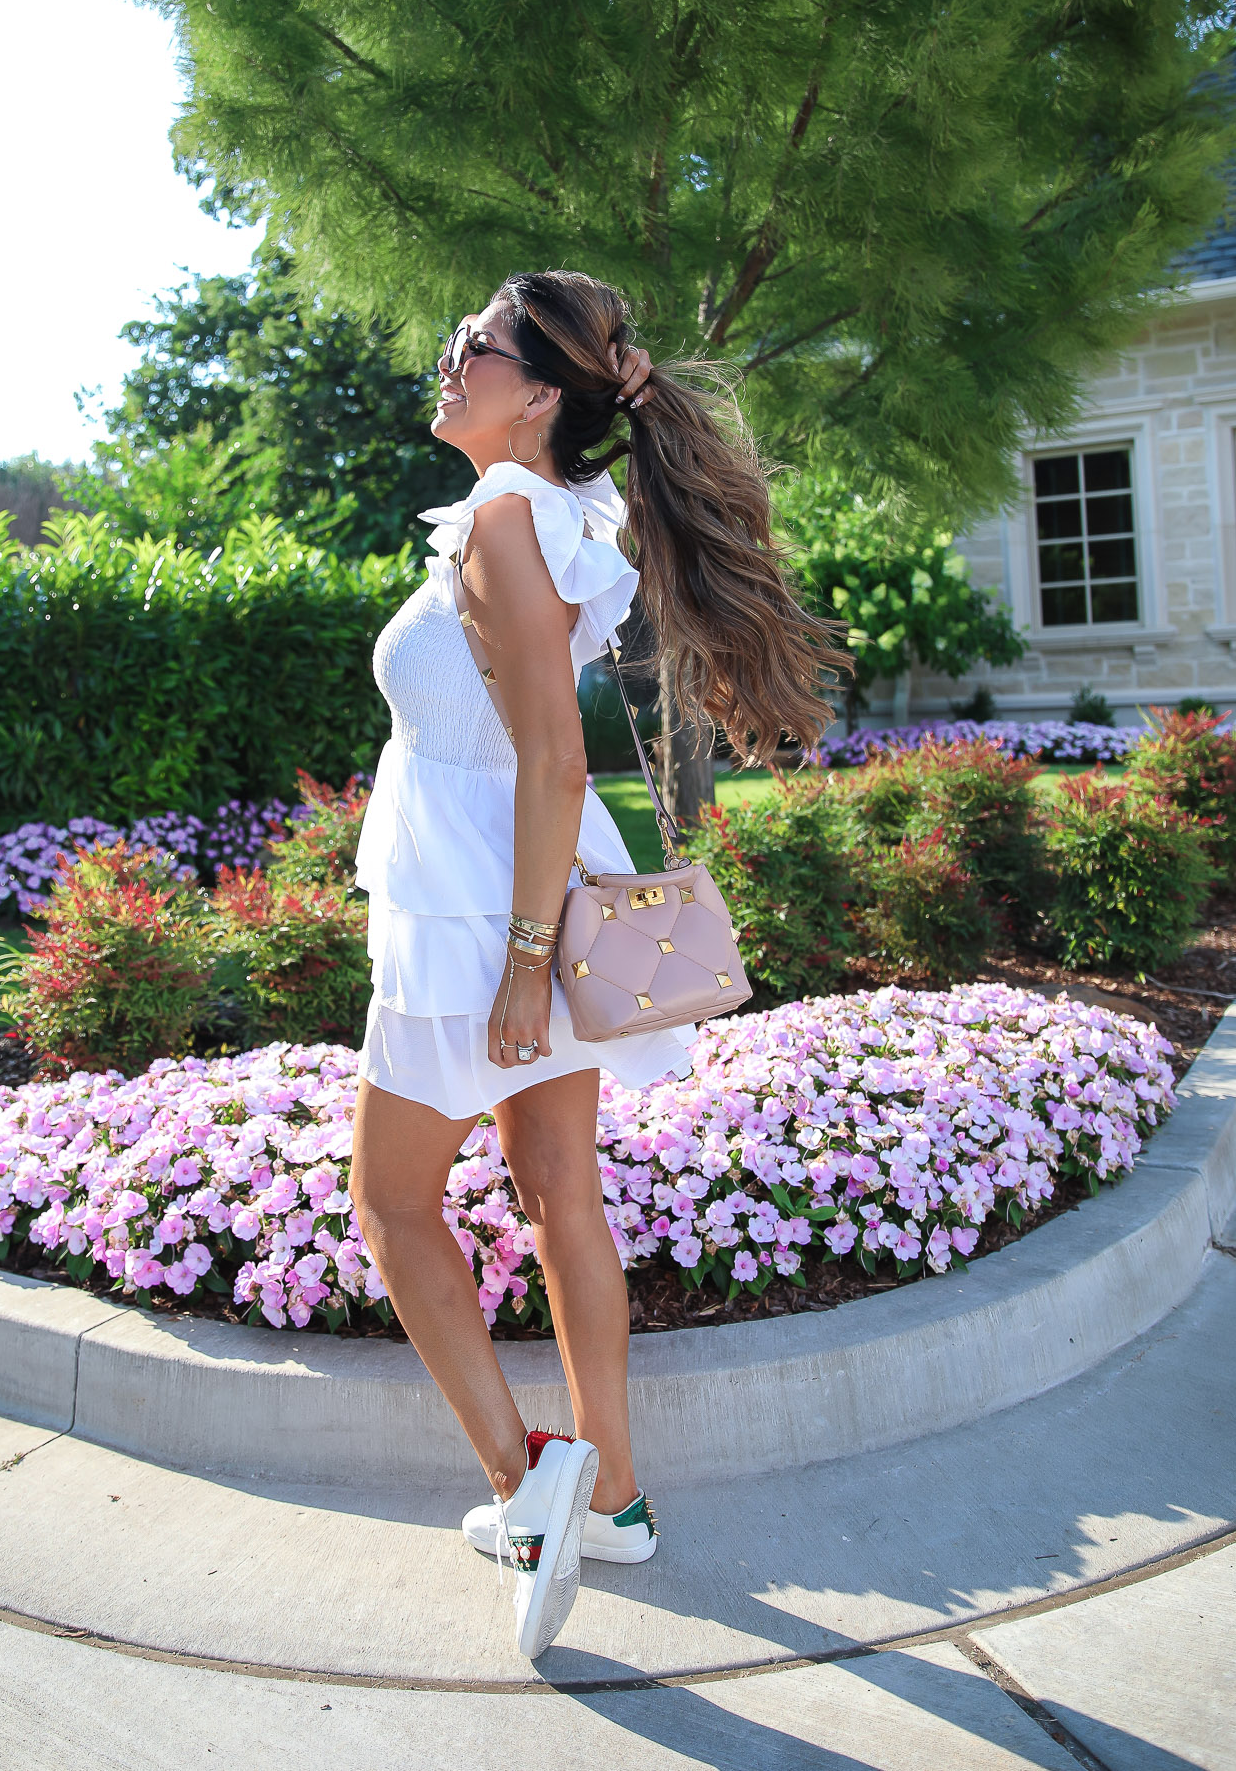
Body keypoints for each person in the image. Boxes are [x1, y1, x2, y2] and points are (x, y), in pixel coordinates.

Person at [349, 270, 837, 1659]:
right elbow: (534, 747)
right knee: (561, 1194)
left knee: (388, 1201)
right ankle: (612, 1494)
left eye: (479, 347)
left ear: (543, 392)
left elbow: (553, 753)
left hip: (477, 917)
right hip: (524, 894)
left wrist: (515, 964)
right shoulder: (559, 514)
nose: (452, 359)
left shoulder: (509, 513)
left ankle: (529, 1479)